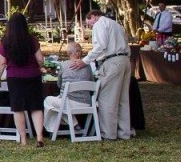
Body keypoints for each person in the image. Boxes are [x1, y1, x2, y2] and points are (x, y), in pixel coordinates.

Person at [70, 10, 132, 140]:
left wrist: (84, 61)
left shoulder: (100, 24)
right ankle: (124, 132)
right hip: (125, 60)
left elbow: (100, 46)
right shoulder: (115, 24)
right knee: (122, 99)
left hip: (112, 61)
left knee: (107, 99)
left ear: (93, 17)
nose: (90, 27)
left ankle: (108, 133)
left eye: (89, 24)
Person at [0, 13, 45, 147]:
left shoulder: (5, 41)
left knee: (18, 108)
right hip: (33, 75)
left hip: (14, 77)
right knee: (36, 107)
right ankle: (39, 137)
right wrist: (39, 66)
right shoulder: (32, 40)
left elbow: (2, 62)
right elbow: (40, 59)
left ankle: (23, 139)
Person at [43, 41, 94, 132]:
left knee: (48, 101)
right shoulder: (88, 66)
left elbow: (59, 84)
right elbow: (92, 82)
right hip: (87, 102)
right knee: (57, 105)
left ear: (68, 53)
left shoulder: (64, 65)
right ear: (79, 52)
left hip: (68, 103)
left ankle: (53, 129)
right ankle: (72, 124)